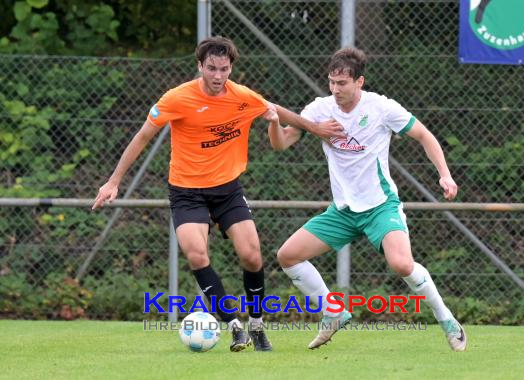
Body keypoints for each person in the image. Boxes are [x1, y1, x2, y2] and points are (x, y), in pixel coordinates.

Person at [92, 36, 344, 352]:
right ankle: (233, 327)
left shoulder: (242, 96)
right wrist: (114, 181)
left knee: (252, 255)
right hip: (186, 191)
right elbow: (142, 137)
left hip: (227, 190)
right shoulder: (176, 98)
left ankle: (257, 327)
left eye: (223, 69)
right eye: (211, 68)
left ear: (230, 68)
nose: (217, 75)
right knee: (197, 254)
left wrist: (316, 128)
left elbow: (275, 109)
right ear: (200, 66)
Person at [269, 47, 467, 352]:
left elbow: (424, 135)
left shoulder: (381, 108)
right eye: (331, 82)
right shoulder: (319, 109)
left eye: (342, 83)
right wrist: (272, 121)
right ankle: (332, 311)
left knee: (401, 264)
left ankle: (446, 319)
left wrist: (445, 174)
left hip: (379, 206)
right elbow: (281, 144)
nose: (335, 89)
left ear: (359, 81)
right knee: (288, 255)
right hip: (343, 211)